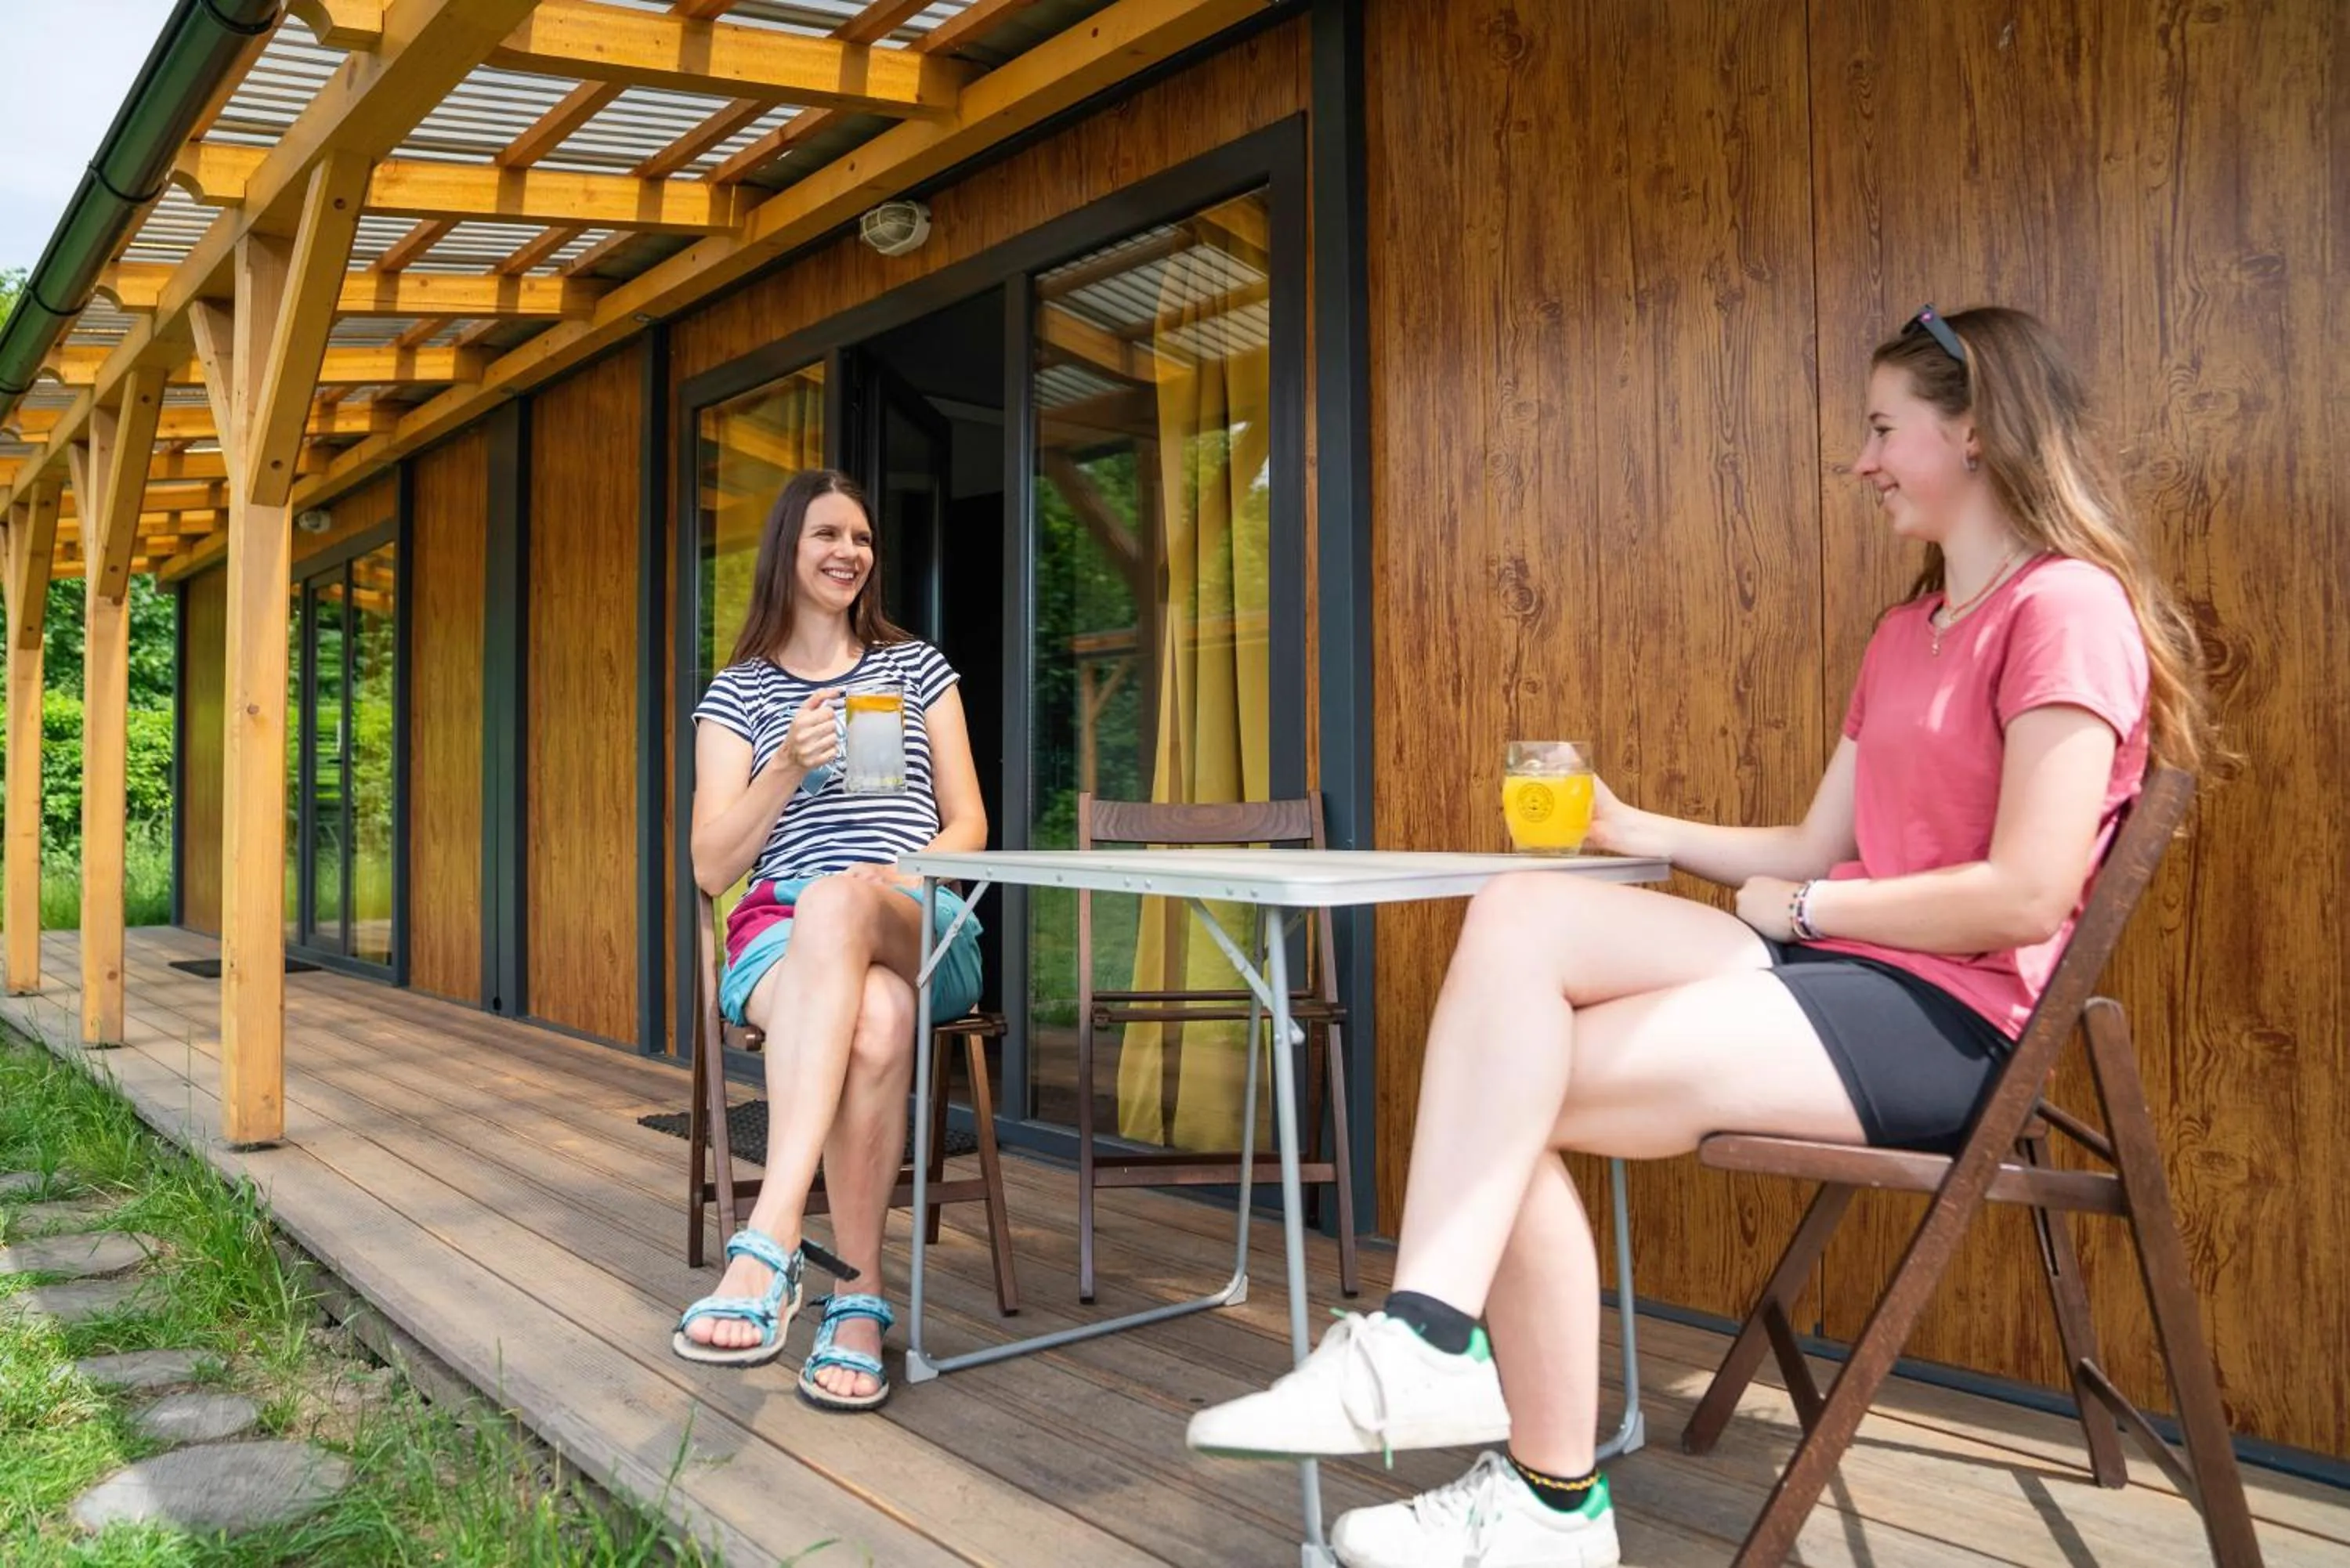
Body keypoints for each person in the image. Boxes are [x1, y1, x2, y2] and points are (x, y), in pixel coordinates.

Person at [1184, 306, 2214, 1566]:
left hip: (1951, 1021)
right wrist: (1635, 822)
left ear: (1981, 430)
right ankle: (1430, 1344)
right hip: (1839, 970)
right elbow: (1810, 842)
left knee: (1504, 1098)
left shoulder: (2068, 609)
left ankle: (1540, 1492)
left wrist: (1812, 914)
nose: (1863, 458)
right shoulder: (1908, 630)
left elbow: (2026, 891)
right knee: (1516, 919)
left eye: (1885, 428)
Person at [671, 468, 988, 1415]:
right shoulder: (739, 693)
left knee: (844, 908)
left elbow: (969, 822)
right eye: (827, 535)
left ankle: (767, 1241)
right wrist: (782, 771)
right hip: (781, 934)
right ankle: (856, 1304)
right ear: (787, 549)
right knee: (878, 1019)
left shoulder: (915, 669)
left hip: (913, 918)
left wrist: (886, 879)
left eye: (861, 538)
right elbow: (708, 864)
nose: (849, 551)